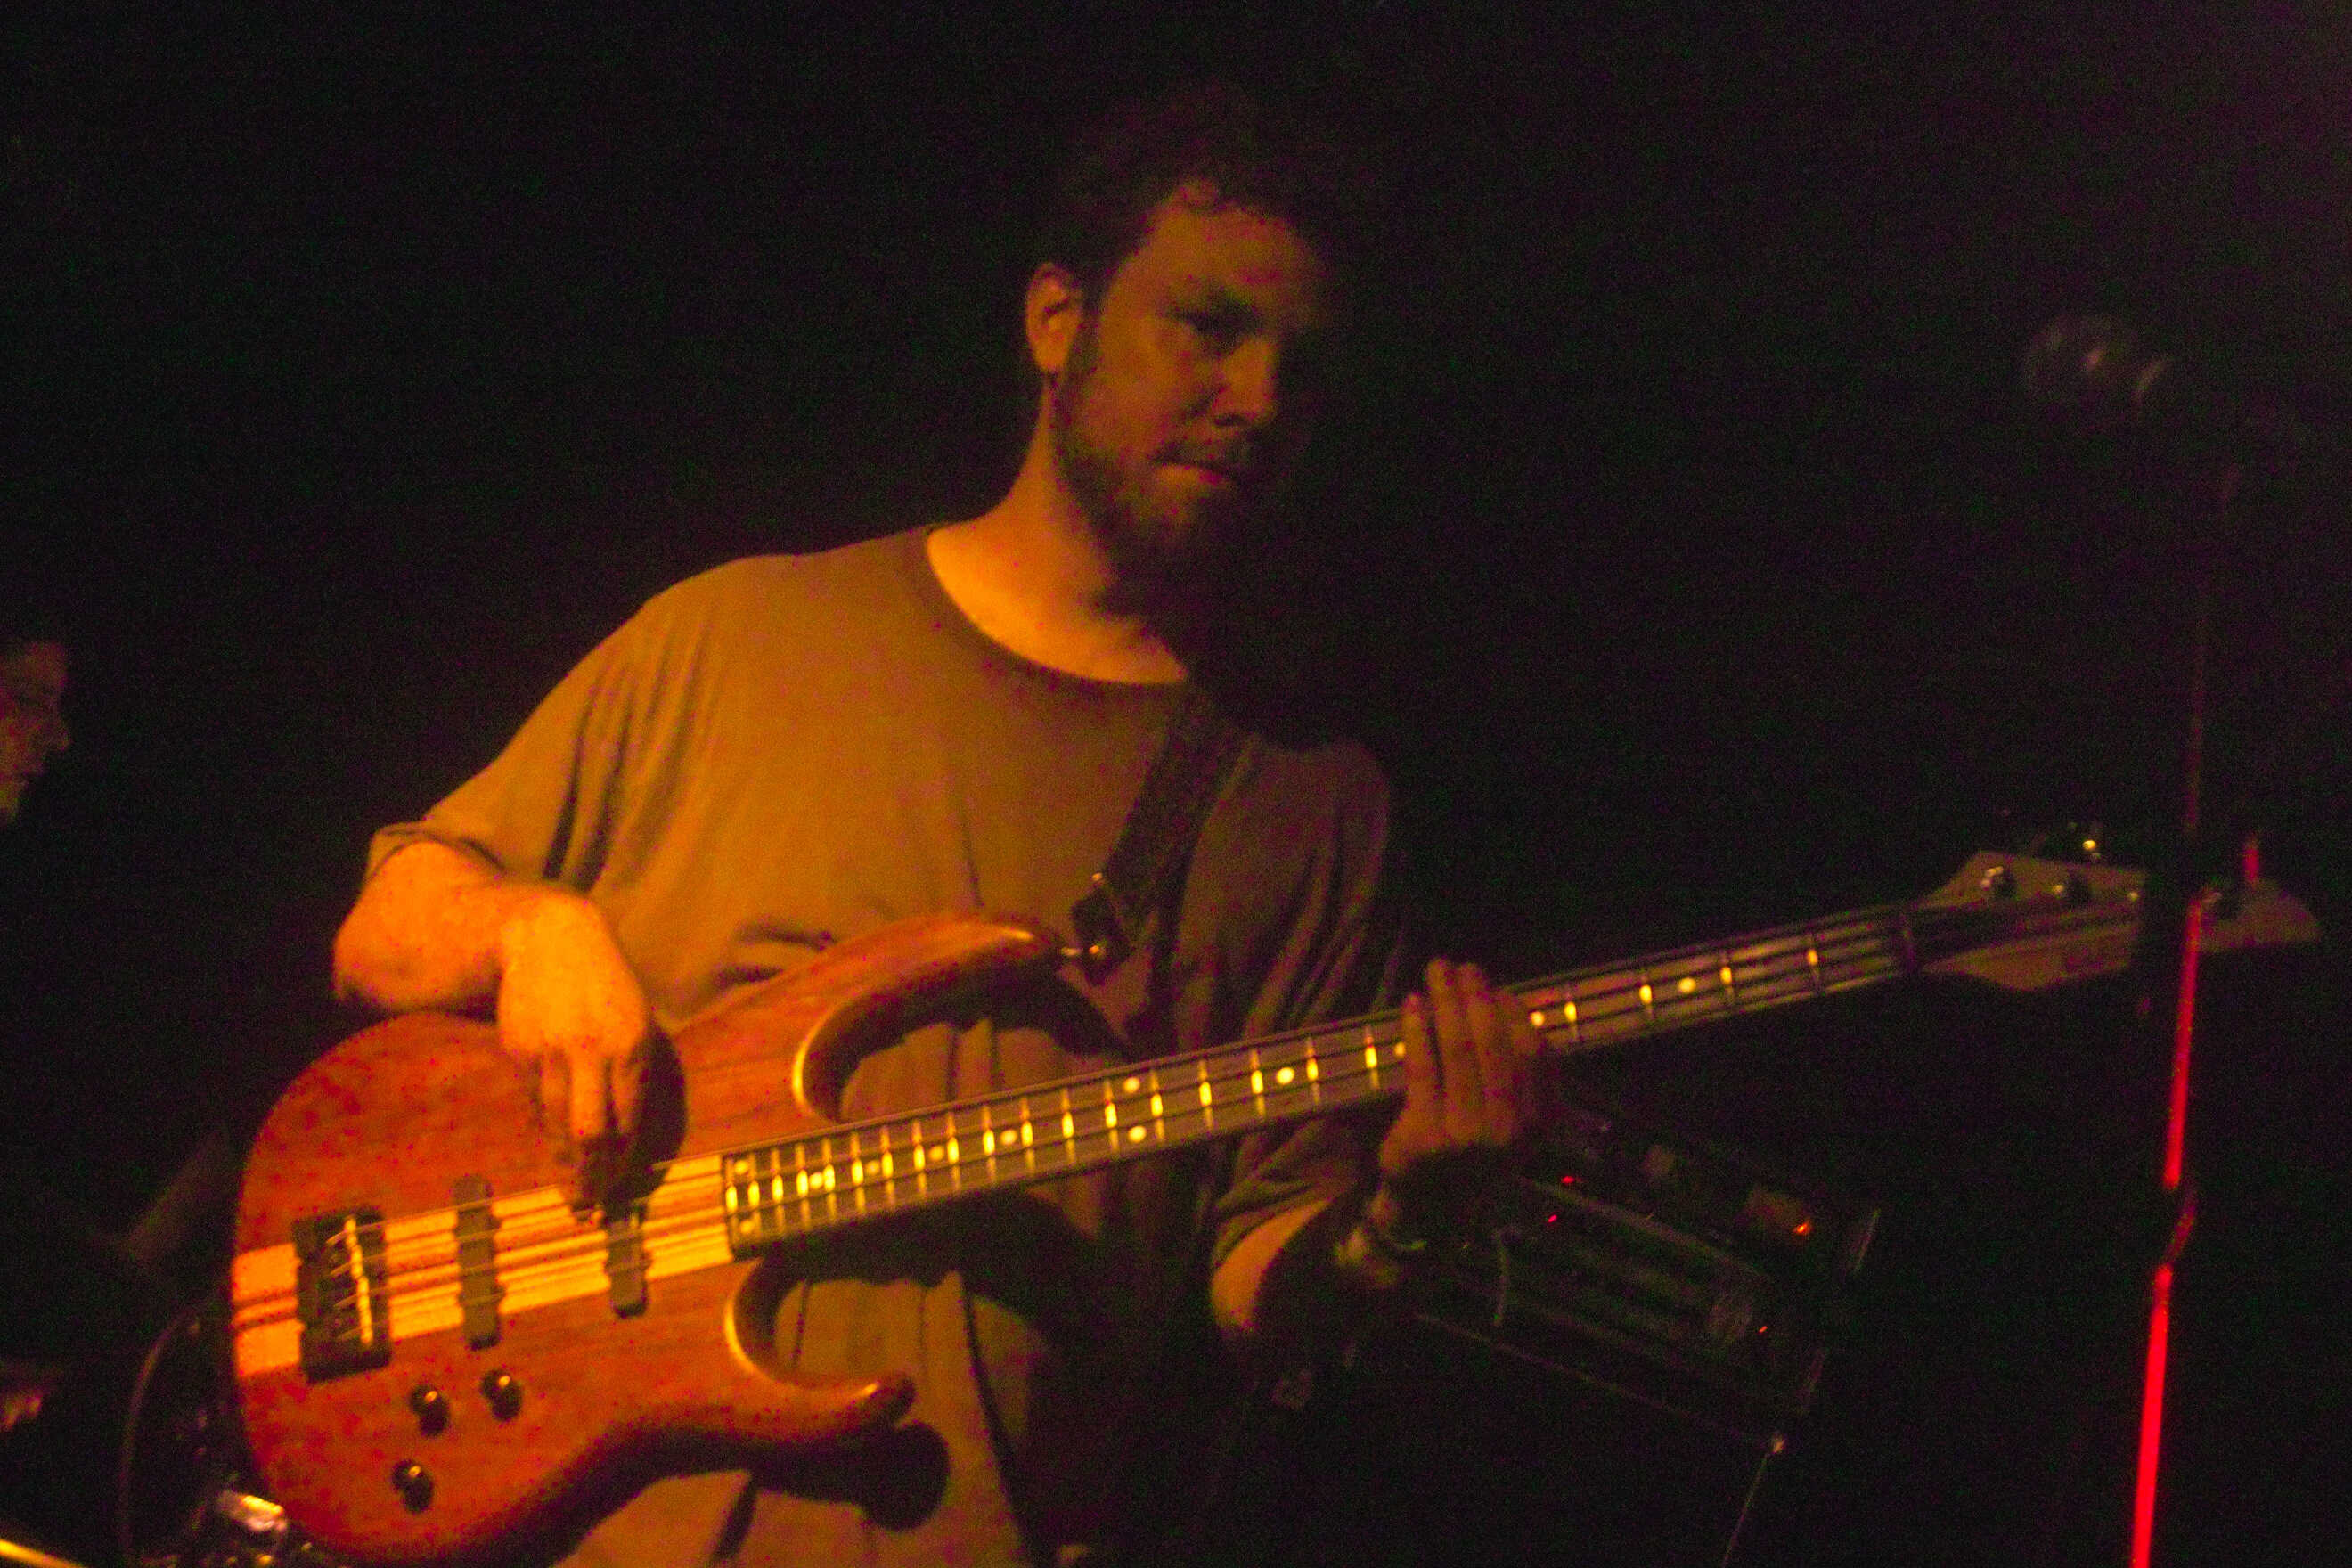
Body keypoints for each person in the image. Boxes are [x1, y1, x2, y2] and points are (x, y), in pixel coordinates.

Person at [332, 84, 1549, 1567]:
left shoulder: (1310, 811)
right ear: (1056, 319)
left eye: (1302, 366)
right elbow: (383, 933)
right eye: (1210, 328)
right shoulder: (740, 634)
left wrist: (1405, 1223)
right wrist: (532, 926)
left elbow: (1248, 1289)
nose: (1258, 400)